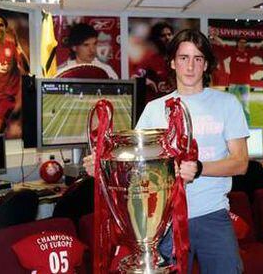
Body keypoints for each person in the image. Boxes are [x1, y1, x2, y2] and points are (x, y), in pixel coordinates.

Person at [85, 29, 249, 273]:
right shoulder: (154, 109)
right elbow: (136, 168)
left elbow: (240, 162)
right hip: (163, 221)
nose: (190, 66)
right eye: (184, 58)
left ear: (206, 65)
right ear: (173, 63)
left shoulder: (227, 104)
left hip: (212, 215)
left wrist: (200, 168)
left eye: (198, 58)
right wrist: (102, 168)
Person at [209, 30, 263, 124]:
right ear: (237, 43)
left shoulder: (249, 52)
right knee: (230, 105)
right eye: (240, 42)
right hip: (233, 84)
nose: (242, 44)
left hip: (245, 84)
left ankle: (248, 125)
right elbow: (222, 44)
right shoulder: (232, 51)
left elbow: (259, 46)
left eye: (244, 42)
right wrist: (215, 37)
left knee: (245, 106)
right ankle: (228, 123)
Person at [130, 22, 175, 102]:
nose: (167, 38)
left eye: (169, 34)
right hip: (157, 106)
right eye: (163, 36)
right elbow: (134, 77)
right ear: (156, 39)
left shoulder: (180, 58)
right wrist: (146, 81)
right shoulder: (150, 60)